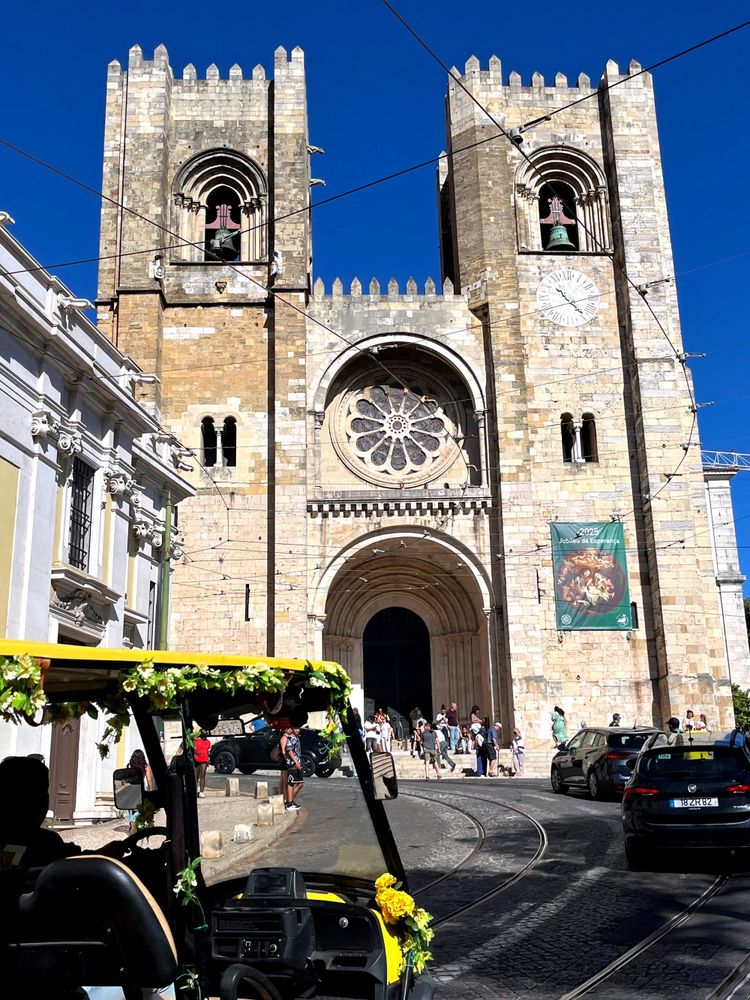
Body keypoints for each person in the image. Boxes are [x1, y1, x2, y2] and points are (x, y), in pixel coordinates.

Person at [126, 748, 153, 833]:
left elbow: (126, 778)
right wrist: (151, 791)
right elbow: (149, 780)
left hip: (131, 788)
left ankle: (132, 823)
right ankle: (135, 823)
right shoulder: (145, 766)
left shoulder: (129, 765)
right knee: (140, 807)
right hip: (141, 787)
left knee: (131, 807)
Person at [280, 725, 304, 811]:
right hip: (293, 764)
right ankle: (289, 803)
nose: (297, 730)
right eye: (295, 728)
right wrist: (295, 762)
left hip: (298, 763)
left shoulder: (296, 738)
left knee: (300, 783)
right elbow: (289, 751)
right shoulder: (290, 738)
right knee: (291, 783)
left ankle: (289, 801)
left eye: (298, 728)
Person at [193, 730, 211, 797]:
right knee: (196, 776)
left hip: (204, 760)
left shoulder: (208, 742)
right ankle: (194, 791)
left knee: (202, 775)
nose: (205, 736)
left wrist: (208, 759)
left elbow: (208, 751)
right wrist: (196, 753)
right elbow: (194, 749)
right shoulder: (196, 740)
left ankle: (201, 791)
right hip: (197, 759)